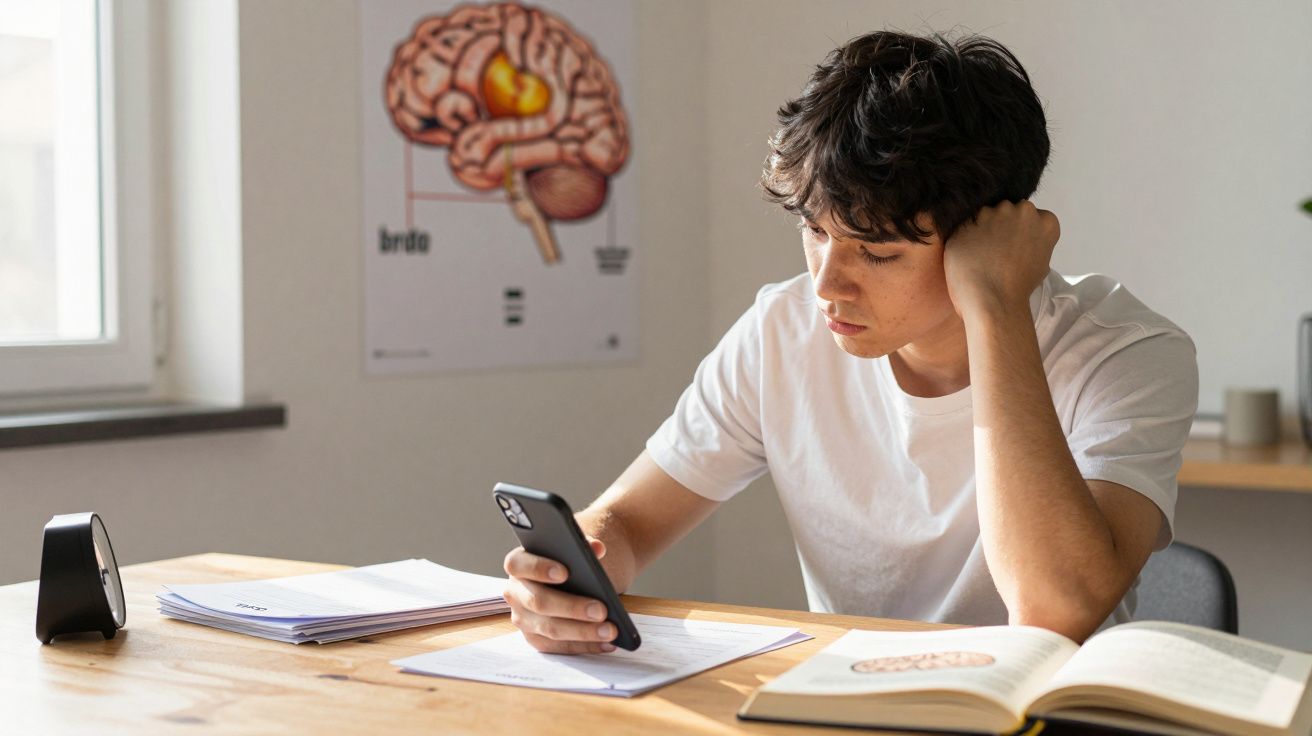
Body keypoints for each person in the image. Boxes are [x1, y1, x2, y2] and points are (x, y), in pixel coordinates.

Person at [502, 29, 1198, 653]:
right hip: (844, 705)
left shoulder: (1126, 352)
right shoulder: (783, 331)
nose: (828, 283)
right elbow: (627, 522)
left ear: (986, 239)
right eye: (815, 231)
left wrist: (995, 309)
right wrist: (572, 575)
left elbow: (1055, 611)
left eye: (877, 253)